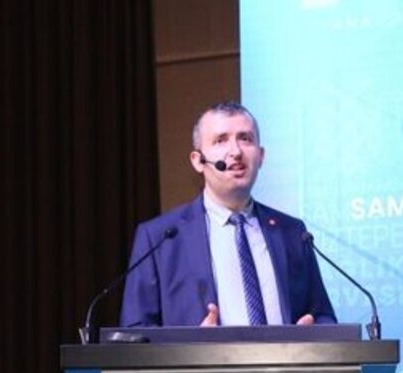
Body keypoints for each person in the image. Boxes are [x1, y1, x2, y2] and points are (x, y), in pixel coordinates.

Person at [119, 101, 336, 327]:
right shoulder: (161, 238)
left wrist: (313, 333)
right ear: (198, 160)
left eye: (245, 139)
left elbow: (323, 316)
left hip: (286, 353)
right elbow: (135, 331)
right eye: (221, 140)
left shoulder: (292, 232)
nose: (236, 151)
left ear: (261, 156)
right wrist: (188, 345)